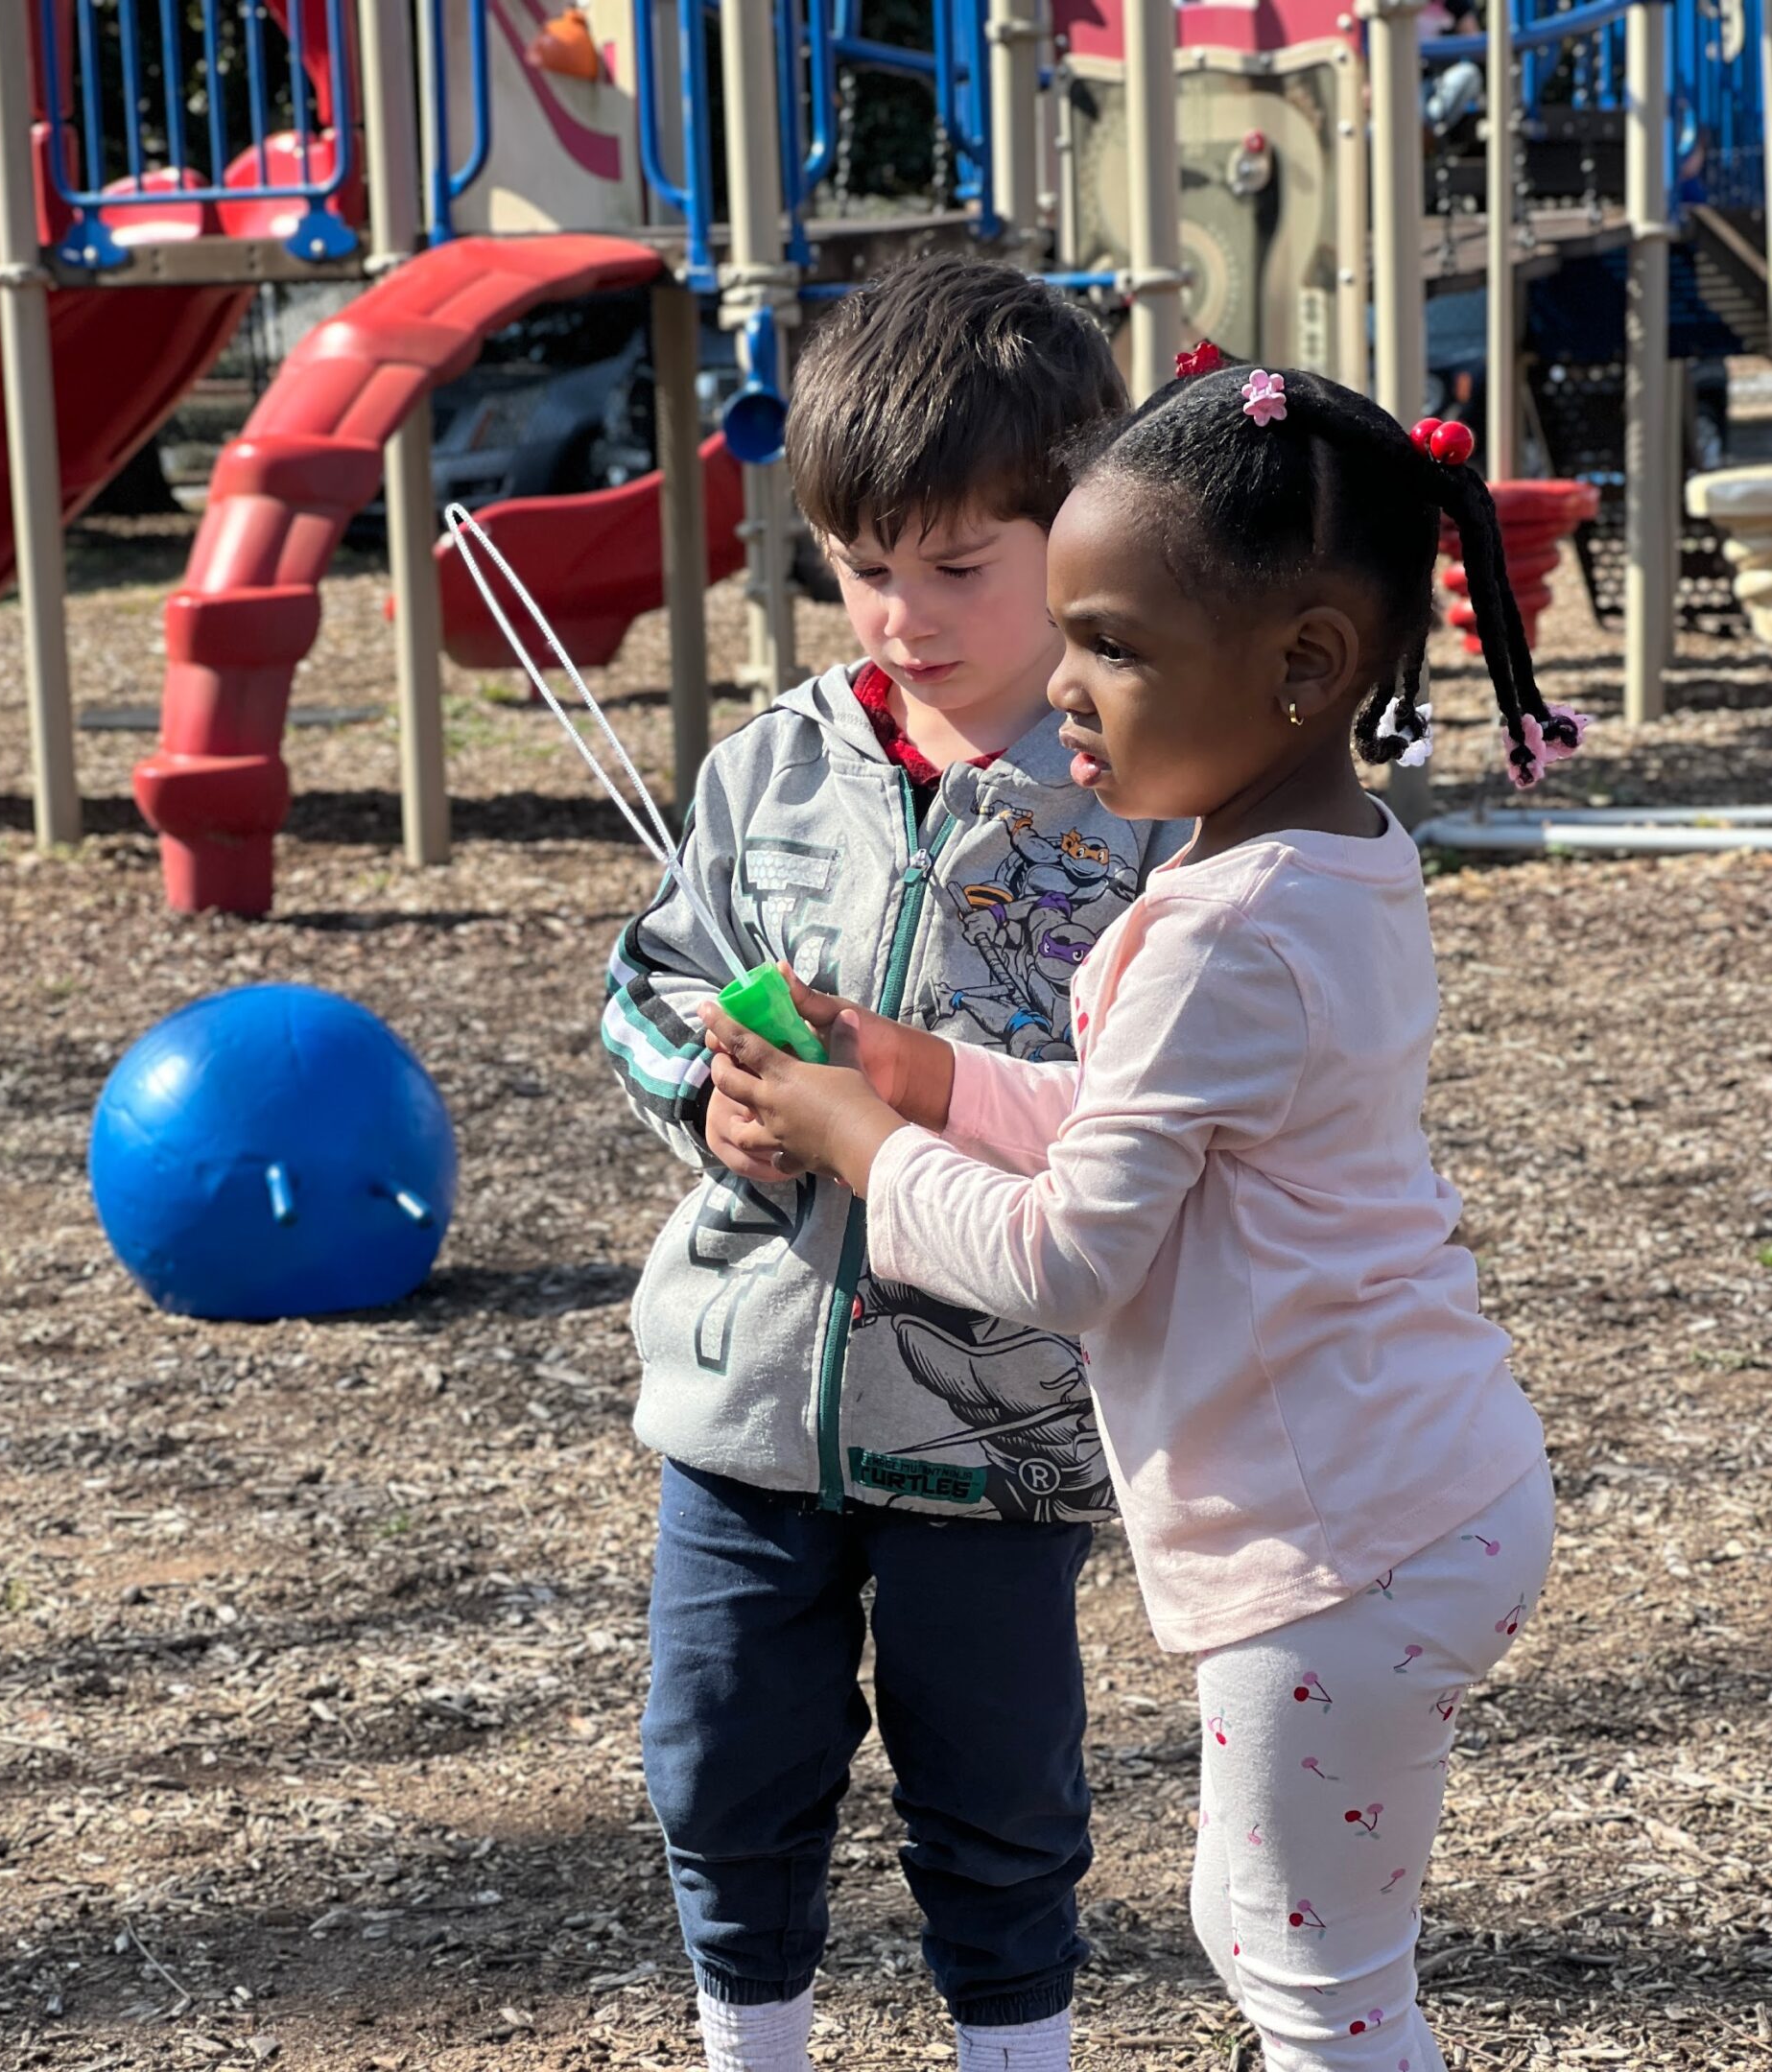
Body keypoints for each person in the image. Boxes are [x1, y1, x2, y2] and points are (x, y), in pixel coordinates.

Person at [698, 356, 1570, 2072]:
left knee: (1309, 1984)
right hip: (1420, 1487)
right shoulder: (1323, 863)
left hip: (1338, 1545)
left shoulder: (1216, 930)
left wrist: (854, 1131)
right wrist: (930, 1074)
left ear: (1304, 668)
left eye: (1112, 646)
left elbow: (1067, 1256)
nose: (1069, 688)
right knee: (1284, 1942)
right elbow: (1142, 1141)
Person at [601, 253, 1187, 2072]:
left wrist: (925, 1097)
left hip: (1000, 1410)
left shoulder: (1142, 804)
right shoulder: (768, 769)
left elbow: (1144, 1101)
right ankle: (747, 2036)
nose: (902, 615)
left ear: (1073, 540)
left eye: (957, 568)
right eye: (862, 568)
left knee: (997, 1781)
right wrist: (696, 1098)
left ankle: (1015, 2047)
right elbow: (651, 977)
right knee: (716, 1752)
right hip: (746, 1388)